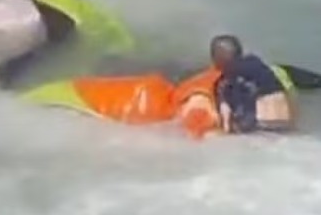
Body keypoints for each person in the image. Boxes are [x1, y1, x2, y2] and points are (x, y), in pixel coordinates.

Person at [17, 34, 309, 139]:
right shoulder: (267, 70)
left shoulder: (203, 91)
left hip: (256, 137)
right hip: (285, 130)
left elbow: (197, 133)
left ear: (215, 61)